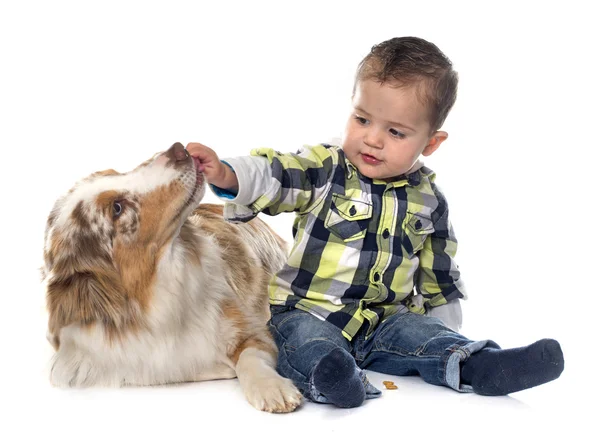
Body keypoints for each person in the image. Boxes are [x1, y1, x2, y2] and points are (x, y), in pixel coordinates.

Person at [185, 36, 564, 408]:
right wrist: (228, 173)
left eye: (395, 131)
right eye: (362, 119)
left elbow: (440, 276)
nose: (372, 139)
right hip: (312, 312)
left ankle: (481, 366)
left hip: (386, 321)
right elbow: (277, 173)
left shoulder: (429, 200)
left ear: (431, 143)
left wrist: (442, 327)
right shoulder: (325, 168)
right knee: (304, 342)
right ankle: (333, 377)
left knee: (425, 337)